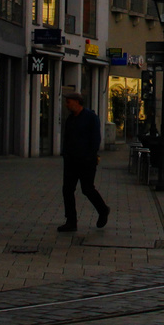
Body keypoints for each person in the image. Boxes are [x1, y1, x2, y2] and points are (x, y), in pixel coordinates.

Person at [57, 91, 109, 233]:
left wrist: (90, 156)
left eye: (68, 102)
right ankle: (71, 221)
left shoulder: (91, 117)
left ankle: (103, 210)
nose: (67, 105)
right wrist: (65, 154)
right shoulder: (71, 119)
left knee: (87, 189)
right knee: (67, 190)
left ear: (76, 102)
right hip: (71, 160)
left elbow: (95, 139)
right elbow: (67, 138)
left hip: (86, 160)